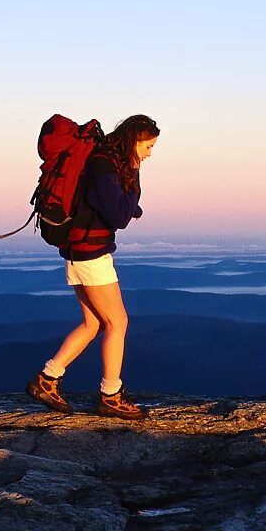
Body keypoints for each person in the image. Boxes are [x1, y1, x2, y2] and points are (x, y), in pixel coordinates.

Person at [27, 115, 159, 419]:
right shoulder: (105, 163)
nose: (150, 153)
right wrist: (135, 182)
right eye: (148, 146)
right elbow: (118, 216)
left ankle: (47, 379)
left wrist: (127, 203)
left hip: (77, 250)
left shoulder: (101, 159)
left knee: (93, 323)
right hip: (91, 253)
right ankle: (111, 394)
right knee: (118, 322)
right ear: (134, 140)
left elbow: (106, 205)